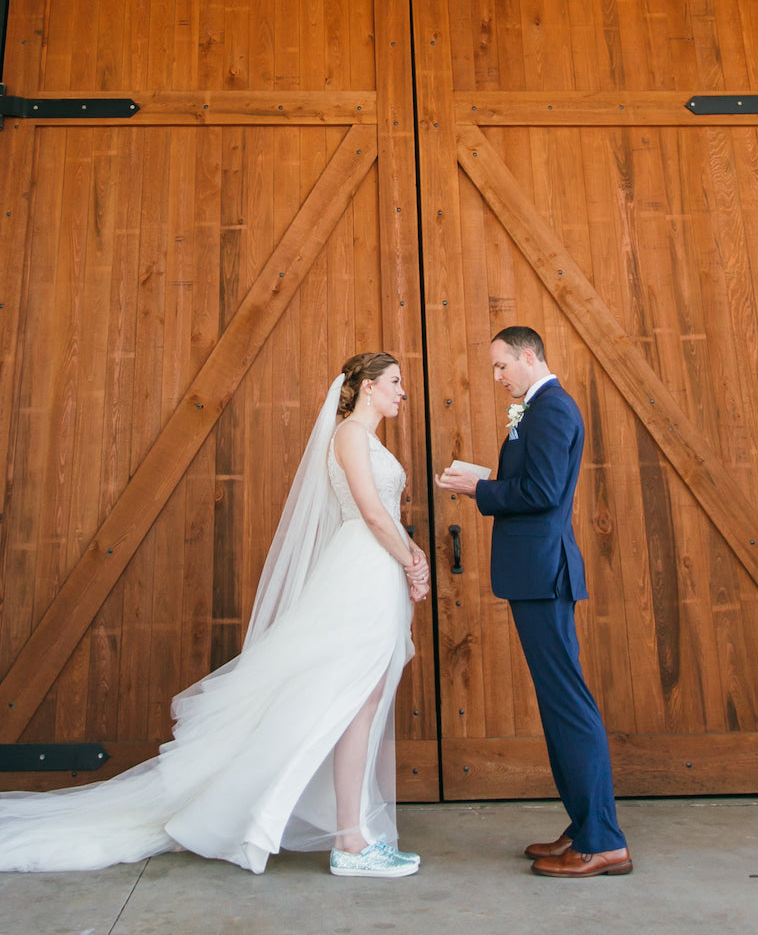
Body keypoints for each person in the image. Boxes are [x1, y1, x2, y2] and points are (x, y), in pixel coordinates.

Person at [0, 352, 429, 879]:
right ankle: (350, 842)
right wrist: (411, 560)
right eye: (393, 382)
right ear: (365, 387)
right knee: (347, 699)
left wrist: (409, 558)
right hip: (360, 570)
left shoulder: (371, 439)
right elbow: (368, 512)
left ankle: (352, 836)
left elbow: (384, 515)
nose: (401, 391)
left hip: (375, 569)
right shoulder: (349, 436)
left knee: (360, 702)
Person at [435, 327, 631, 878]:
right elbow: (536, 483)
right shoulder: (537, 407)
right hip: (535, 574)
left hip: (545, 574)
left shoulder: (550, 409)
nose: (496, 378)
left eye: (501, 367)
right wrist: (491, 483)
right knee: (558, 703)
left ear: (528, 357)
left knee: (569, 704)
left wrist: (481, 490)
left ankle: (603, 841)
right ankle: (584, 824)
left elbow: (543, 493)